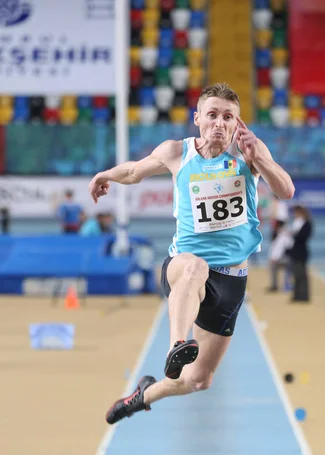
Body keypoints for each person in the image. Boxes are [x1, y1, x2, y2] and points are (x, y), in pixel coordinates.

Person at [89, 82, 295, 425]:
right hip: (184, 266)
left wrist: (258, 159)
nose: (219, 123)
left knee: (197, 380)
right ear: (197, 118)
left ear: (237, 123)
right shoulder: (176, 152)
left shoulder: (251, 153)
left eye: (228, 117)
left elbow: (286, 190)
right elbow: (133, 171)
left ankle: (141, 396)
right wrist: (105, 174)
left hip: (232, 282)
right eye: (212, 115)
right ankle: (176, 345)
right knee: (194, 267)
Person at [287, 205, 313, 302]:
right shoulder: (296, 223)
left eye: (296, 212)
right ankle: (297, 295)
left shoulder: (306, 223)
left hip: (301, 251)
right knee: (296, 275)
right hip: (295, 251)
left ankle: (304, 296)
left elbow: (303, 237)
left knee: (302, 275)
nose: (294, 214)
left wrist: (294, 235)